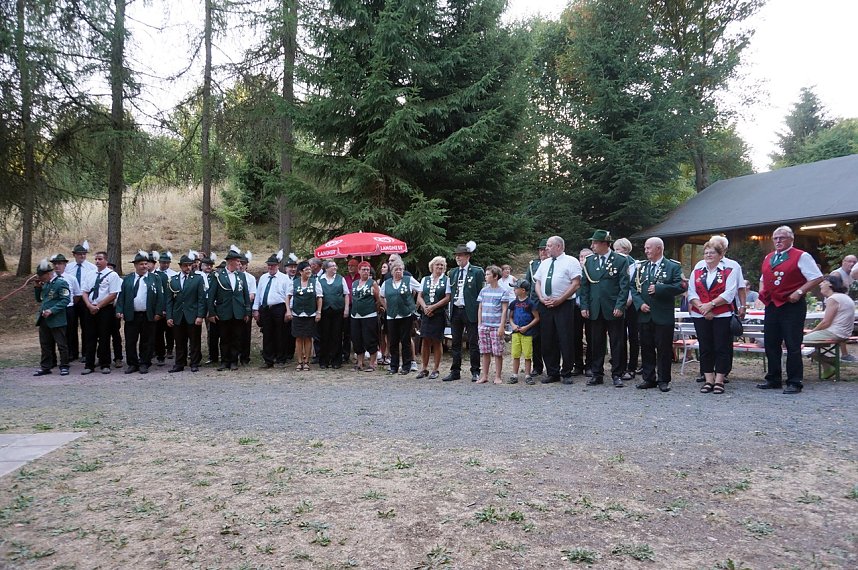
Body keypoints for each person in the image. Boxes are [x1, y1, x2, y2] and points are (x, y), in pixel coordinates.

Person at [758, 225, 824, 394]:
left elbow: (817, 277)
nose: (778, 241)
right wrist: (761, 291)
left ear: (791, 239)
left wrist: (800, 291)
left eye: (782, 238)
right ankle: (773, 378)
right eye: (776, 238)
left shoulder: (801, 256)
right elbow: (763, 278)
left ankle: (794, 381)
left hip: (792, 305)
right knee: (771, 343)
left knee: (792, 344)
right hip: (772, 305)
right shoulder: (769, 257)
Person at [631, 237, 684, 392]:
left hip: (663, 315)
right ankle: (648, 378)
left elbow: (680, 286)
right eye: (646, 248)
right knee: (646, 347)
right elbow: (633, 287)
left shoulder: (672, 266)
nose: (646, 251)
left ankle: (663, 379)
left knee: (663, 348)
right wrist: (640, 304)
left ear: (659, 249)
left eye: (649, 248)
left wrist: (659, 288)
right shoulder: (641, 267)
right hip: (645, 314)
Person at [580, 230, 631, 388]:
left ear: (604, 244)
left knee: (616, 342)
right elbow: (585, 286)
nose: (592, 246)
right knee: (596, 342)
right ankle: (597, 373)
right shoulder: (590, 261)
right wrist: (584, 305)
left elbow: (624, 285)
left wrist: (620, 305)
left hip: (613, 307)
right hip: (595, 308)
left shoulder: (620, 260)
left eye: (595, 243)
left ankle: (617, 373)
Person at [688, 240, 740, 394]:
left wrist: (710, 306)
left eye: (712, 252)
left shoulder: (729, 270)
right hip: (700, 315)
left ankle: (719, 380)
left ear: (721, 255)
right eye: (706, 252)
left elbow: (729, 293)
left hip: (722, 314)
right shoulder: (698, 269)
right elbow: (691, 292)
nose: (708, 255)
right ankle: (708, 379)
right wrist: (702, 308)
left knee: (721, 347)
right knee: (705, 347)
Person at [534, 236, 582, 384]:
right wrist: (541, 298)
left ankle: (566, 372)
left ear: (559, 247)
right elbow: (538, 282)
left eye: (549, 245)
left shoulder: (571, 261)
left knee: (565, 338)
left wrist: (560, 299)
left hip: (564, 304)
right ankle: (552, 372)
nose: (546, 248)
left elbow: (575, 283)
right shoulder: (545, 263)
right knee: (548, 339)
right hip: (546, 305)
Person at [116, 251, 165, 375]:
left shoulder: (155, 278)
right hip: (132, 315)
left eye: (145, 264)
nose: (144, 266)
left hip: (148, 315)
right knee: (130, 340)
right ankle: (132, 363)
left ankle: (144, 363)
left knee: (147, 340)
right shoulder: (128, 279)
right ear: (135, 265)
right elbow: (122, 296)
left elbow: (160, 296)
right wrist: (119, 310)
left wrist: (158, 312)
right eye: (141, 264)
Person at [443, 241, 486, 382]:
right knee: (456, 342)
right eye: (456, 256)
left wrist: (481, 311)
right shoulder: (453, 272)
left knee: (473, 342)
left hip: (471, 311)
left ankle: (475, 371)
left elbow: (481, 292)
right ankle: (455, 371)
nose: (458, 258)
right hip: (456, 309)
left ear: (467, 256)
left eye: (460, 255)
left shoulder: (477, 271)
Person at [207, 248, 252, 371]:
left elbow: (245, 295)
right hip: (223, 312)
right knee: (224, 337)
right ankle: (224, 361)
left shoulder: (241, 276)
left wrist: (247, 311)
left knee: (236, 337)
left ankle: (234, 361)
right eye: (237, 261)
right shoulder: (218, 276)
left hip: (238, 312)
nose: (239, 263)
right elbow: (211, 295)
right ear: (230, 262)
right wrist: (211, 312)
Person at [803, 273, 856, 376]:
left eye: (823, 282)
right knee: (801, 342)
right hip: (843, 332)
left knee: (796, 342)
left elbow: (826, 323)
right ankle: (829, 363)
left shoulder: (833, 299)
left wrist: (813, 331)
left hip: (835, 332)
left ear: (831, 285)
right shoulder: (844, 297)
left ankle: (828, 363)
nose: (820, 285)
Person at [80, 251, 121, 375]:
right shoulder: (89, 274)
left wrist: (98, 306)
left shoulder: (112, 275)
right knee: (89, 337)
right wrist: (88, 305)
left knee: (104, 337)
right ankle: (89, 364)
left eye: (100, 259)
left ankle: (105, 364)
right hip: (90, 308)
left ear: (106, 261)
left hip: (105, 310)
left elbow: (113, 294)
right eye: (96, 259)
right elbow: (85, 292)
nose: (97, 261)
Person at [166, 252, 207, 373]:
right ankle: (179, 363)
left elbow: (201, 299)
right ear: (180, 266)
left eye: (190, 265)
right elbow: (169, 301)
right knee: (179, 340)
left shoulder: (198, 279)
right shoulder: (173, 280)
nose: (188, 268)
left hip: (192, 315)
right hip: (178, 315)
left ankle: (194, 363)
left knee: (194, 341)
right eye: (185, 265)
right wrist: (169, 316)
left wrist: (200, 315)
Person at [380, 259, 421, 374]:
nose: (399, 271)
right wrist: (386, 307)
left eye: (401, 269)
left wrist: (415, 306)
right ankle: (393, 366)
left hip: (406, 315)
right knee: (393, 342)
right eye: (396, 269)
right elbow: (381, 296)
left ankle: (406, 366)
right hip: (392, 316)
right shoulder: (386, 283)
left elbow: (421, 289)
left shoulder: (408, 280)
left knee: (406, 341)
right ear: (392, 272)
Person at [253, 251, 291, 369]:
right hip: (265, 309)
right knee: (267, 334)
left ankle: (280, 359)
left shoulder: (285, 278)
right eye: (269, 265)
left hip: (279, 308)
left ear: (278, 266)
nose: (270, 267)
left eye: (273, 265)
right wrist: (256, 309)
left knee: (280, 334)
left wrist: (288, 311)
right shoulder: (263, 278)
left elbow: (289, 295)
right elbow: (258, 294)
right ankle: (268, 359)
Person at [33, 259, 71, 376]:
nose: (41, 278)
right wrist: (37, 288)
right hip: (44, 319)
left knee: (61, 344)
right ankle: (46, 366)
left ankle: (64, 366)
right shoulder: (45, 284)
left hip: (57, 319)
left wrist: (52, 310)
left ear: (49, 273)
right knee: (45, 344)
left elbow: (65, 299)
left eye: (42, 276)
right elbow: (40, 299)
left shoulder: (61, 283)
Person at [416, 256, 451, 379]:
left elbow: (447, 297)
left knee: (437, 341)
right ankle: (424, 368)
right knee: (425, 340)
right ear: (432, 266)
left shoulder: (446, 280)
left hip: (439, 314)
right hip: (426, 313)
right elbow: (419, 296)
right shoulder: (425, 279)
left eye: (442, 265)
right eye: (437, 265)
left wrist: (433, 307)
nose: (440, 267)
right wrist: (425, 307)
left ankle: (436, 369)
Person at [476, 265, 511, 384]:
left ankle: (498, 376)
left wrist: (502, 326)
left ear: (495, 276)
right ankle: (484, 375)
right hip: (484, 325)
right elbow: (480, 308)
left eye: (488, 274)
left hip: (496, 326)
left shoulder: (503, 291)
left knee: (497, 352)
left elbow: (504, 310)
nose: (486, 277)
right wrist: (479, 324)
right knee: (485, 351)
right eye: (485, 274)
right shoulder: (483, 290)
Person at [286, 260, 323, 371]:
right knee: (298, 338)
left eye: (309, 269)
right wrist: (288, 310)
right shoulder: (294, 282)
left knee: (308, 337)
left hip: (310, 313)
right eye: (306, 269)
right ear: (301, 272)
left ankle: (306, 361)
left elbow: (319, 298)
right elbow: (287, 297)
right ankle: (299, 361)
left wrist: (319, 312)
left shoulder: (315, 282)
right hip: (297, 314)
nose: (309, 271)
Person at [613, 238, 640, 381]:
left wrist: (629, 300)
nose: (616, 252)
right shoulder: (615, 264)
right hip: (619, 303)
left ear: (626, 249)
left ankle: (632, 367)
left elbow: (634, 285)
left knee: (633, 337)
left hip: (632, 305)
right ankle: (620, 366)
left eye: (618, 249)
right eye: (615, 249)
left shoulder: (635, 265)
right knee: (620, 336)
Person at [49, 254, 82, 369]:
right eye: (55, 264)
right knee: (57, 333)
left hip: (68, 308)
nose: (57, 266)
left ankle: (72, 354)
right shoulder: (50, 278)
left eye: (60, 264)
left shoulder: (71, 278)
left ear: (65, 265)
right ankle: (56, 356)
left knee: (71, 331)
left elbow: (77, 294)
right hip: (55, 309)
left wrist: (70, 304)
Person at [318, 260, 350, 369]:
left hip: (338, 311)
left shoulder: (341, 279)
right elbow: (318, 296)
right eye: (332, 266)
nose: (335, 268)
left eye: (335, 266)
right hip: (325, 311)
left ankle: (336, 360)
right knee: (324, 335)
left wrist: (346, 309)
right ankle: (324, 360)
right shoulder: (320, 279)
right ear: (326, 268)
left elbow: (346, 294)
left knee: (336, 335)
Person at [350, 261, 382, 372]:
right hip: (355, 315)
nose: (366, 272)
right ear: (359, 271)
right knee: (357, 338)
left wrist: (375, 308)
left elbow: (378, 299)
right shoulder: (354, 284)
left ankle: (372, 363)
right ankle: (360, 362)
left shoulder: (372, 283)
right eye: (363, 269)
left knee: (370, 338)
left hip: (369, 314)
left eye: (367, 270)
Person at [508, 279, 540, 385]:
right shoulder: (514, 303)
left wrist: (527, 327)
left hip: (527, 333)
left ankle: (527, 374)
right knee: (515, 354)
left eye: (516, 288)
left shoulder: (530, 303)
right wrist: (512, 325)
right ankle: (514, 374)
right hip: (516, 332)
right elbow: (510, 317)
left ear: (523, 290)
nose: (514, 290)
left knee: (527, 354)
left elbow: (536, 318)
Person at [69, 242, 96, 362]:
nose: (82, 256)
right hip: (72, 300)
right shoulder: (69, 268)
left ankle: (86, 352)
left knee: (87, 327)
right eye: (79, 254)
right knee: (71, 327)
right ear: (74, 255)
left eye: (84, 254)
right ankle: (72, 352)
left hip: (86, 300)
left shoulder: (91, 268)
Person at [524, 239, 548, 378]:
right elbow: (527, 285)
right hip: (535, 306)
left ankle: (552, 366)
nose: (542, 252)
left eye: (544, 249)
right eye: (540, 250)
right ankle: (537, 366)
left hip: (550, 305)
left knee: (550, 338)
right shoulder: (533, 265)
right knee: (535, 338)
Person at [152, 251, 178, 365]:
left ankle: (170, 348)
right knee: (158, 331)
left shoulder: (173, 274)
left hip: (170, 306)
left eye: (167, 263)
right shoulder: (155, 274)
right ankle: (157, 350)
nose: (165, 265)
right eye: (163, 262)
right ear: (159, 262)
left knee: (170, 331)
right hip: (159, 306)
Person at [574, 248, 593, 377]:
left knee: (592, 337)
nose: (583, 259)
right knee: (576, 337)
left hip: (591, 308)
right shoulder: (574, 271)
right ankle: (578, 365)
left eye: (586, 257)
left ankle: (590, 365)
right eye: (581, 257)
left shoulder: (593, 271)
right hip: (575, 307)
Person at [238, 251, 257, 365]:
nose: (241, 265)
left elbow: (251, 295)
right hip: (234, 309)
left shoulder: (251, 278)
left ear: (246, 265)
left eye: (243, 263)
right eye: (239, 263)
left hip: (246, 308)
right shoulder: (233, 276)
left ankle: (245, 357)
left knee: (246, 333)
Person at [343, 258, 360, 364]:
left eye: (352, 266)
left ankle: (359, 354)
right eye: (349, 266)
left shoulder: (360, 278)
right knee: (346, 333)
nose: (350, 268)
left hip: (357, 307)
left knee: (356, 332)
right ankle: (345, 354)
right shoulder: (345, 279)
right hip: (347, 307)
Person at [283, 254, 299, 362]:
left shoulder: (299, 279)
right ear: (286, 268)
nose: (293, 269)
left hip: (296, 309)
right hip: (284, 308)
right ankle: (282, 352)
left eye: (294, 267)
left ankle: (290, 353)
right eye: (290, 267)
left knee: (293, 332)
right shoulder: (282, 279)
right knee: (283, 331)